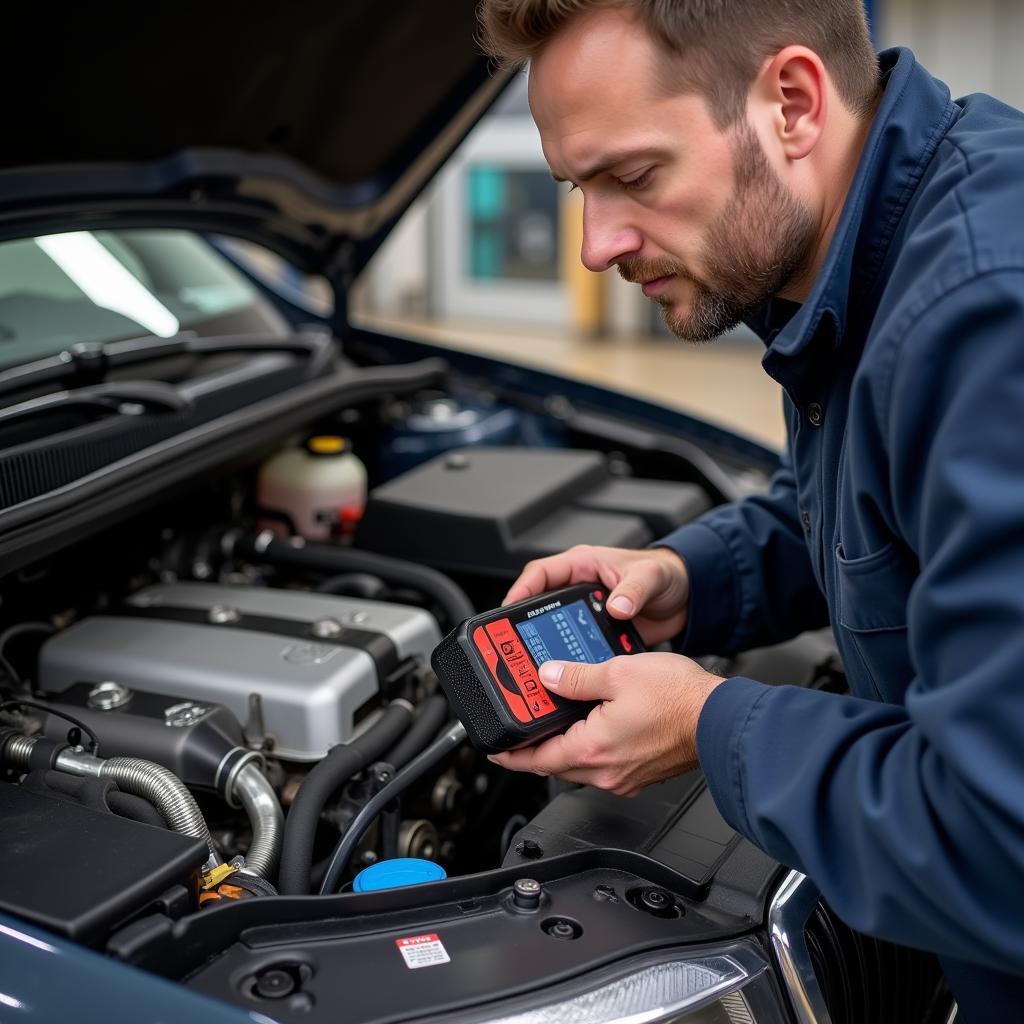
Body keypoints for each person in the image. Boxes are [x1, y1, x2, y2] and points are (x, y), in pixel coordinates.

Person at [477, 1, 1024, 1018]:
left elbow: (1003, 836)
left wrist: (708, 724)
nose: (596, 245)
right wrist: (695, 579)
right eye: (576, 189)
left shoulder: (990, 319)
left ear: (791, 102)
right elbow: (885, 509)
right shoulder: (867, 255)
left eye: (633, 176)